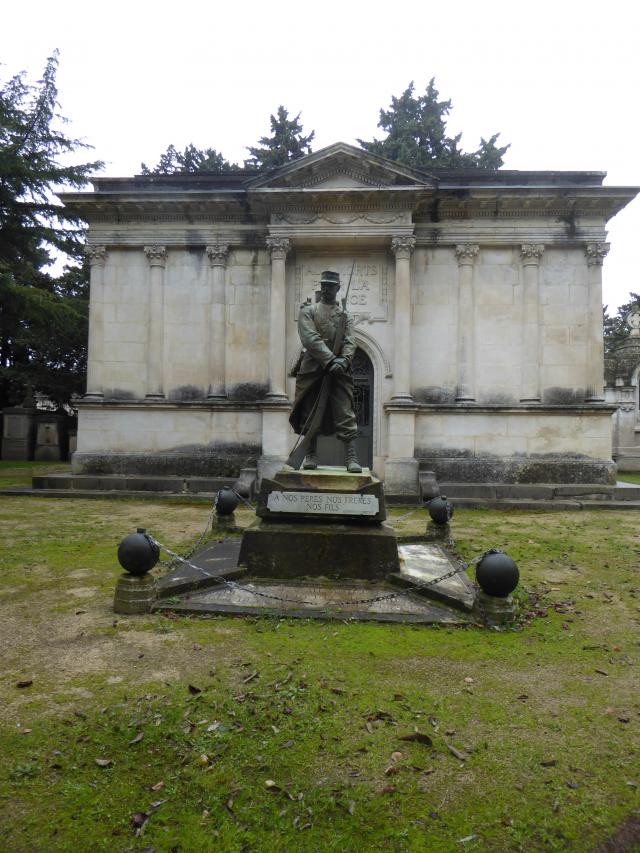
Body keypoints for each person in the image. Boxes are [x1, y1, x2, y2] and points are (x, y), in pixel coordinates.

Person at [289, 270, 363, 473]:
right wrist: (329, 360)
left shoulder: (345, 316)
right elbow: (310, 338)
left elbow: (350, 341)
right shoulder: (308, 311)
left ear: (338, 288)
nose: (326, 289)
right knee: (310, 412)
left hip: (340, 370)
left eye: (330, 285)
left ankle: (351, 457)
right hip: (313, 369)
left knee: (345, 412)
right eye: (324, 285)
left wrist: (344, 360)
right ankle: (310, 454)